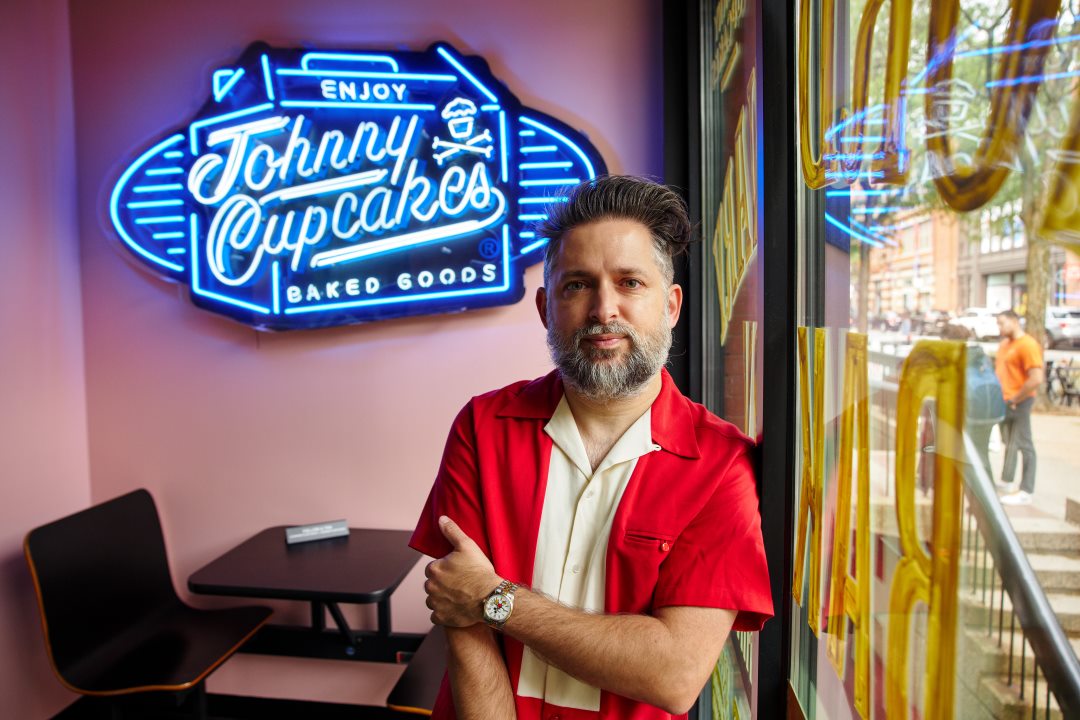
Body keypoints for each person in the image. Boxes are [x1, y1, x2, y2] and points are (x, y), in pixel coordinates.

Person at [410, 175, 773, 719]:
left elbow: (673, 674)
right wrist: (474, 600)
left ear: (671, 306)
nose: (604, 309)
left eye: (629, 283)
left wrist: (495, 599)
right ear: (544, 308)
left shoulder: (721, 466)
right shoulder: (483, 427)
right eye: (577, 285)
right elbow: (460, 619)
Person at [995, 309, 1044, 505]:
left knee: (1024, 443)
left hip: (1019, 401)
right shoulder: (1005, 345)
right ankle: (1007, 480)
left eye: (1002, 323)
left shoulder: (1027, 345)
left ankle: (1026, 490)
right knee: (1009, 442)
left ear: (1014, 321)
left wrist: (1016, 398)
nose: (999, 328)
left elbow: (1036, 378)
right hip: (1006, 400)